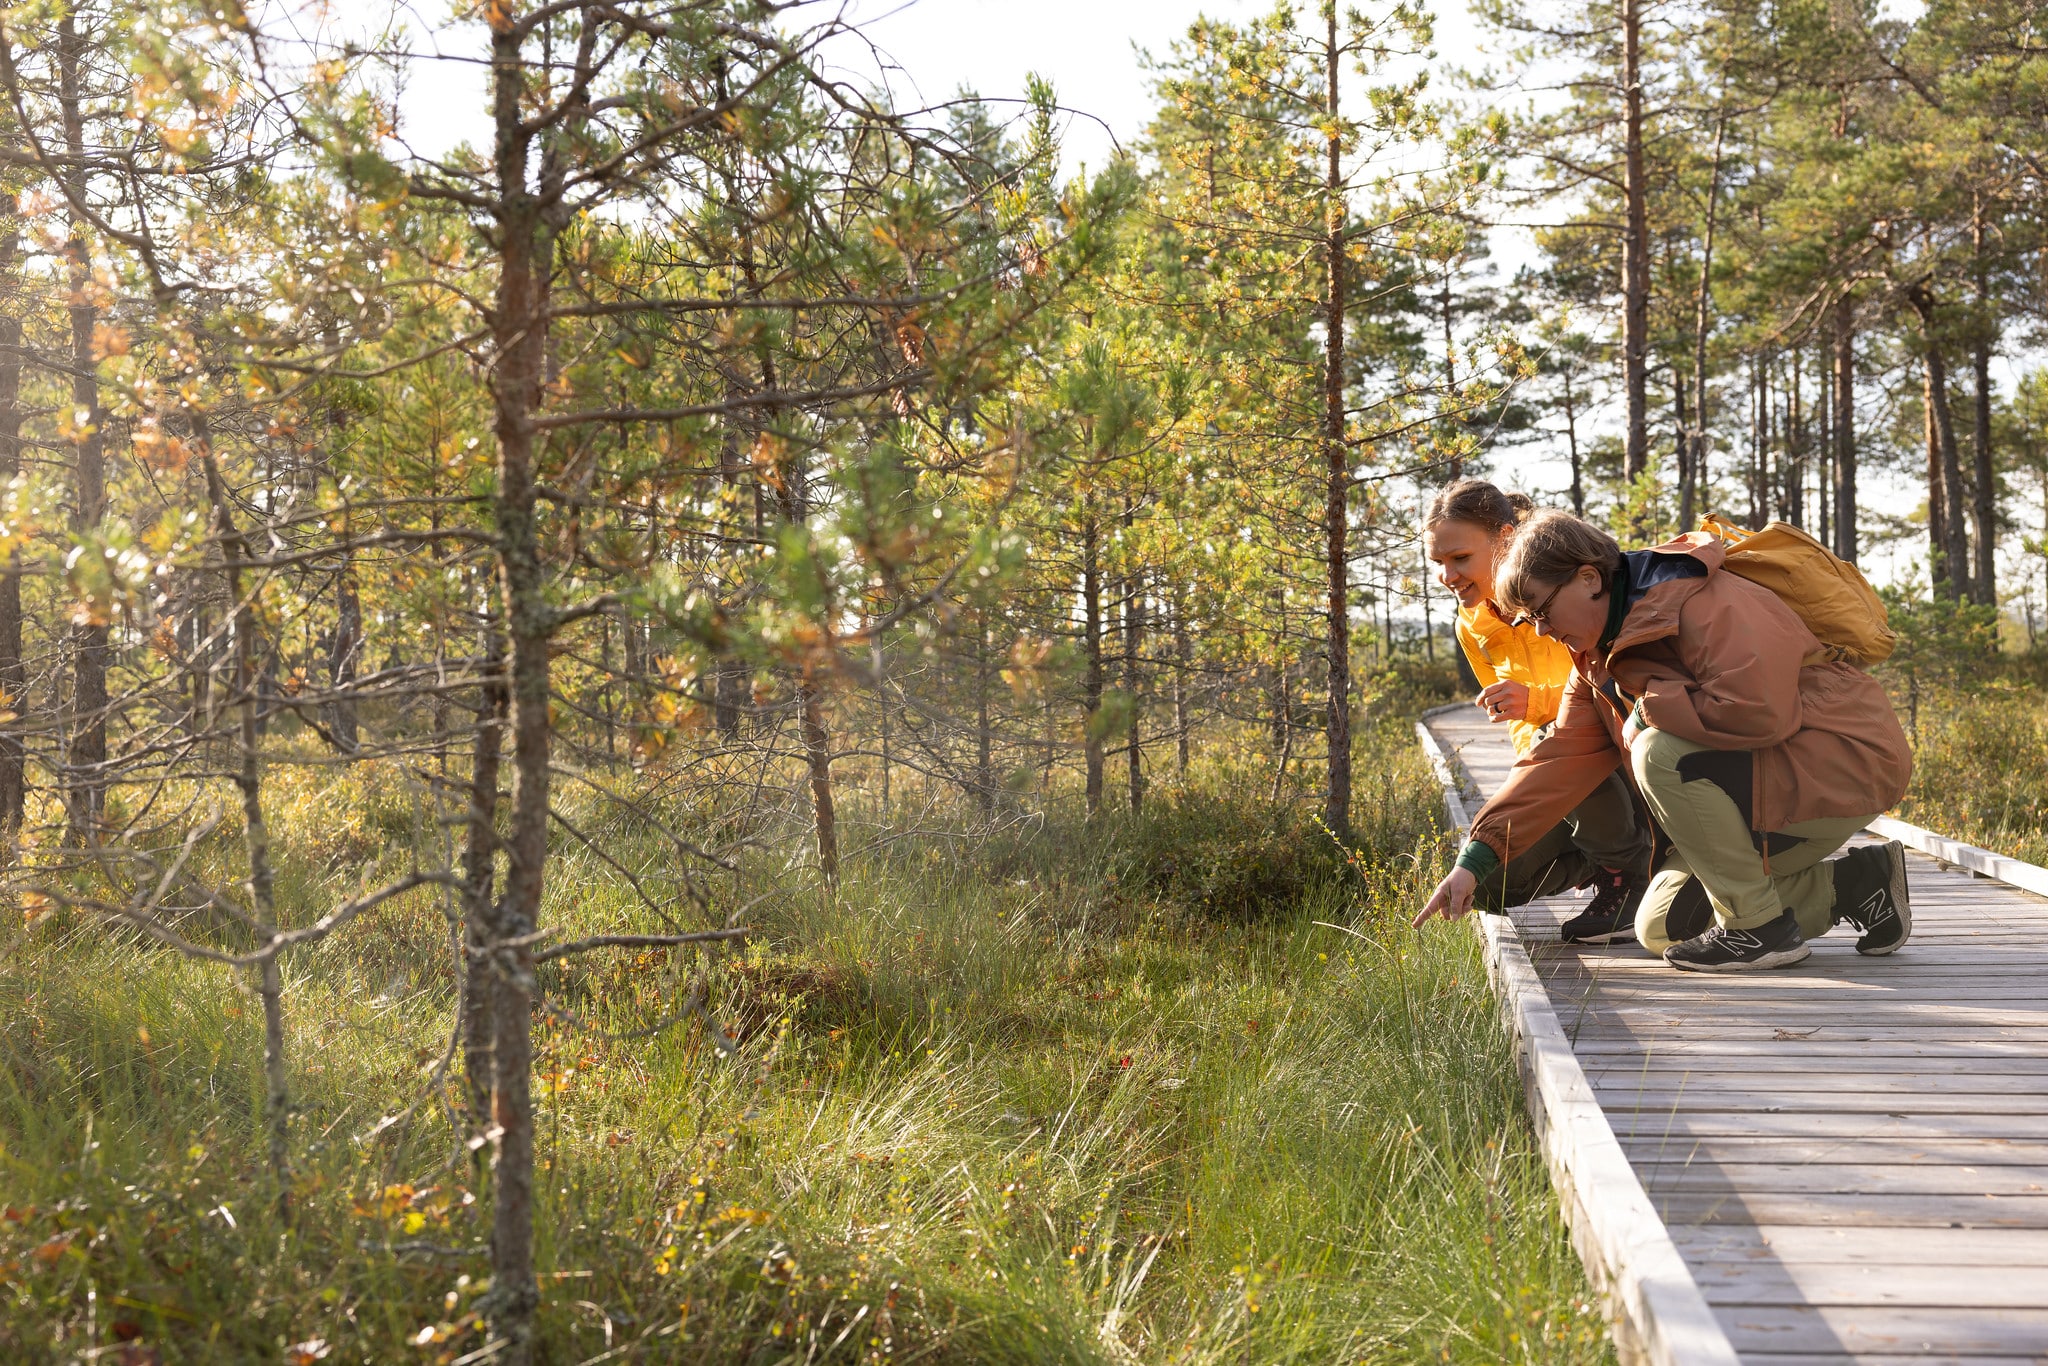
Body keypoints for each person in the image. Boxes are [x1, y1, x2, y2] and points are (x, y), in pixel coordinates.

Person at [1414, 510, 1914, 972]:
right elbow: (1556, 761)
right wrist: (1472, 862)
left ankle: (1758, 928)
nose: (1543, 631)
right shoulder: (1595, 659)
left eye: (1543, 609)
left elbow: (1761, 712)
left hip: (1838, 764)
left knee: (1657, 751)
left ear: (1589, 578)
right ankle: (1856, 885)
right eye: (1530, 620)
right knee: (1659, 926)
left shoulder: (1706, 601)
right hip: (1764, 780)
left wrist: (1650, 711)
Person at [1423, 480, 1652, 944]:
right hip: (1552, 777)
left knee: (1553, 730)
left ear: (1506, 538)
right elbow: (1519, 728)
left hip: (1611, 763)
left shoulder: (1567, 590)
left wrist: (1538, 703)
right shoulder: (1470, 624)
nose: (1448, 576)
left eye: (1460, 558)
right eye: (1438, 563)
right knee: (1485, 886)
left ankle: (1627, 873)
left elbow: (1612, 691)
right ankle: (1605, 852)